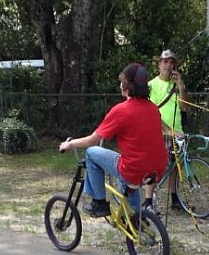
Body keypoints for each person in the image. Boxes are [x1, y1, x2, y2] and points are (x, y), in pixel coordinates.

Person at [59, 63, 167, 216]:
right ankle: (135, 220)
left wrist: (69, 144)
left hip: (134, 169)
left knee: (91, 153)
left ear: (125, 85)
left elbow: (92, 140)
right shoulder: (153, 108)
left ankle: (99, 203)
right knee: (128, 177)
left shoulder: (121, 110)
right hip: (158, 168)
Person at [148, 49, 189, 208]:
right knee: (155, 166)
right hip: (160, 132)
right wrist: (168, 131)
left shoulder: (176, 85)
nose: (168, 65)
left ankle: (174, 197)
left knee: (175, 166)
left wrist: (180, 85)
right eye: (165, 61)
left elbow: (184, 107)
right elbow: (151, 113)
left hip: (177, 131)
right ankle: (149, 200)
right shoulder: (151, 85)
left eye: (171, 62)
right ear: (159, 64)